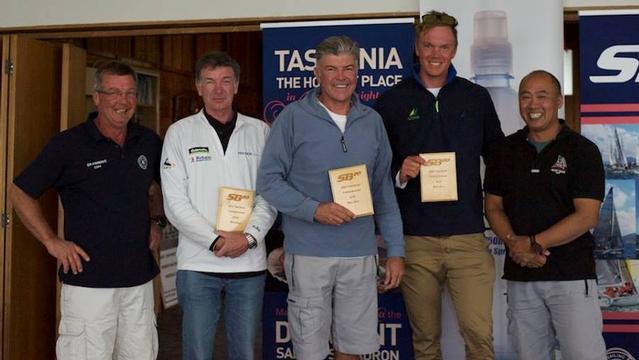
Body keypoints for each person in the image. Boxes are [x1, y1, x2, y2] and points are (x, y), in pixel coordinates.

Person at [257, 35, 405, 360]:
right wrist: (314, 210)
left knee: (352, 348)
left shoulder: (372, 122)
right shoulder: (293, 118)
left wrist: (395, 251)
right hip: (309, 254)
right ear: (317, 74)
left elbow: (383, 192)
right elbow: (268, 181)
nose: (341, 77)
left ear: (358, 73)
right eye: (331, 69)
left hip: (360, 255)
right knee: (309, 350)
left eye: (348, 68)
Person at [9, 60, 162, 359]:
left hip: (139, 281)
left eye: (130, 93)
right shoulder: (69, 145)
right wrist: (52, 242)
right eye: (114, 92)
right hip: (89, 283)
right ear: (97, 97)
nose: (123, 101)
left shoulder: (148, 141)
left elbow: (156, 186)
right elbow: (20, 192)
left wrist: (155, 219)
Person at [373, 10, 503, 360]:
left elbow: (499, 161)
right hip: (415, 241)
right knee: (425, 341)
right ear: (417, 47)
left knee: (479, 337)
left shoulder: (476, 98)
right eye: (428, 45)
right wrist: (401, 172)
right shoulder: (391, 101)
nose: (435, 54)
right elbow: (376, 172)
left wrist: (506, 216)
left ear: (455, 50)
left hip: (468, 238)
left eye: (444, 46)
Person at [160, 51, 276, 360]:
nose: (218, 89)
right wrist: (215, 240)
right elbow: (174, 202)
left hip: (248, 264)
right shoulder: (180, 133)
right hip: (198, 264)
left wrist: (248, 238)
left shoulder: (260, 132)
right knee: (197, 352)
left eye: (226, 81)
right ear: (198, 87)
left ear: (237, 86)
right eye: (210, 82)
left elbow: (269, 194)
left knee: (245, 353)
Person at [484, 70, 607, 360]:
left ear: (558, 101)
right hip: (521, 278)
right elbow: (493, 207)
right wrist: (515, 242)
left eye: (542, 96)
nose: (533, 104)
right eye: (525, 97)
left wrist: (534, 243)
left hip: (572, 278)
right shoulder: (504, 151)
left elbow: (587, 216)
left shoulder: (583, 151)